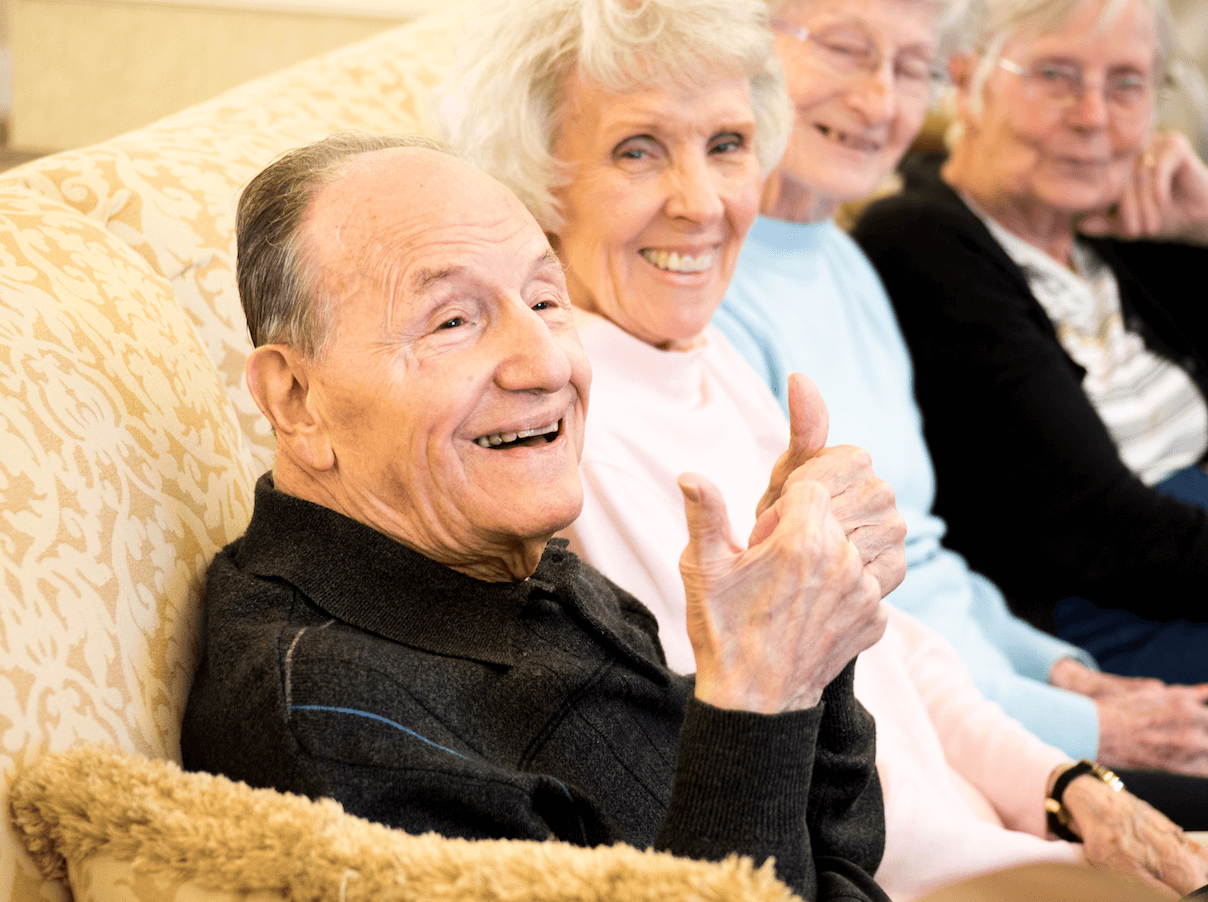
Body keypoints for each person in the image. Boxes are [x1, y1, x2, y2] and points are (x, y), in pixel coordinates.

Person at [436, 0, 1208, 897]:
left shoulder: (703, 350)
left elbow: (888, 642)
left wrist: (1071, 788)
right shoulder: (567, 443)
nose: (702, 201)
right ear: (539, 182)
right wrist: (1068, 856)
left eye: (726, 145)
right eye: (638, 151)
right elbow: (796, 792)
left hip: (1006, 831)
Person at [711, 0, 1208, 827]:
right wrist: (1077, 711)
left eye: (1127, 86)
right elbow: (1094, 532)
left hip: (1052, 655)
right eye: (1057, 77)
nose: (1093, 119)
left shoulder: (866, 260)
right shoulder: (905, 247)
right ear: (967, 88)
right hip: (1082, 645)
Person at [180, 132, 894, 902]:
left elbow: (840, 852)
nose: (548, 363)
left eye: (546, 302)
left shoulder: (517, 566)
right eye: (452, 321)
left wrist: (805, 630)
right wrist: (759, 690)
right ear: (296, 398)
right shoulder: (336, 720)